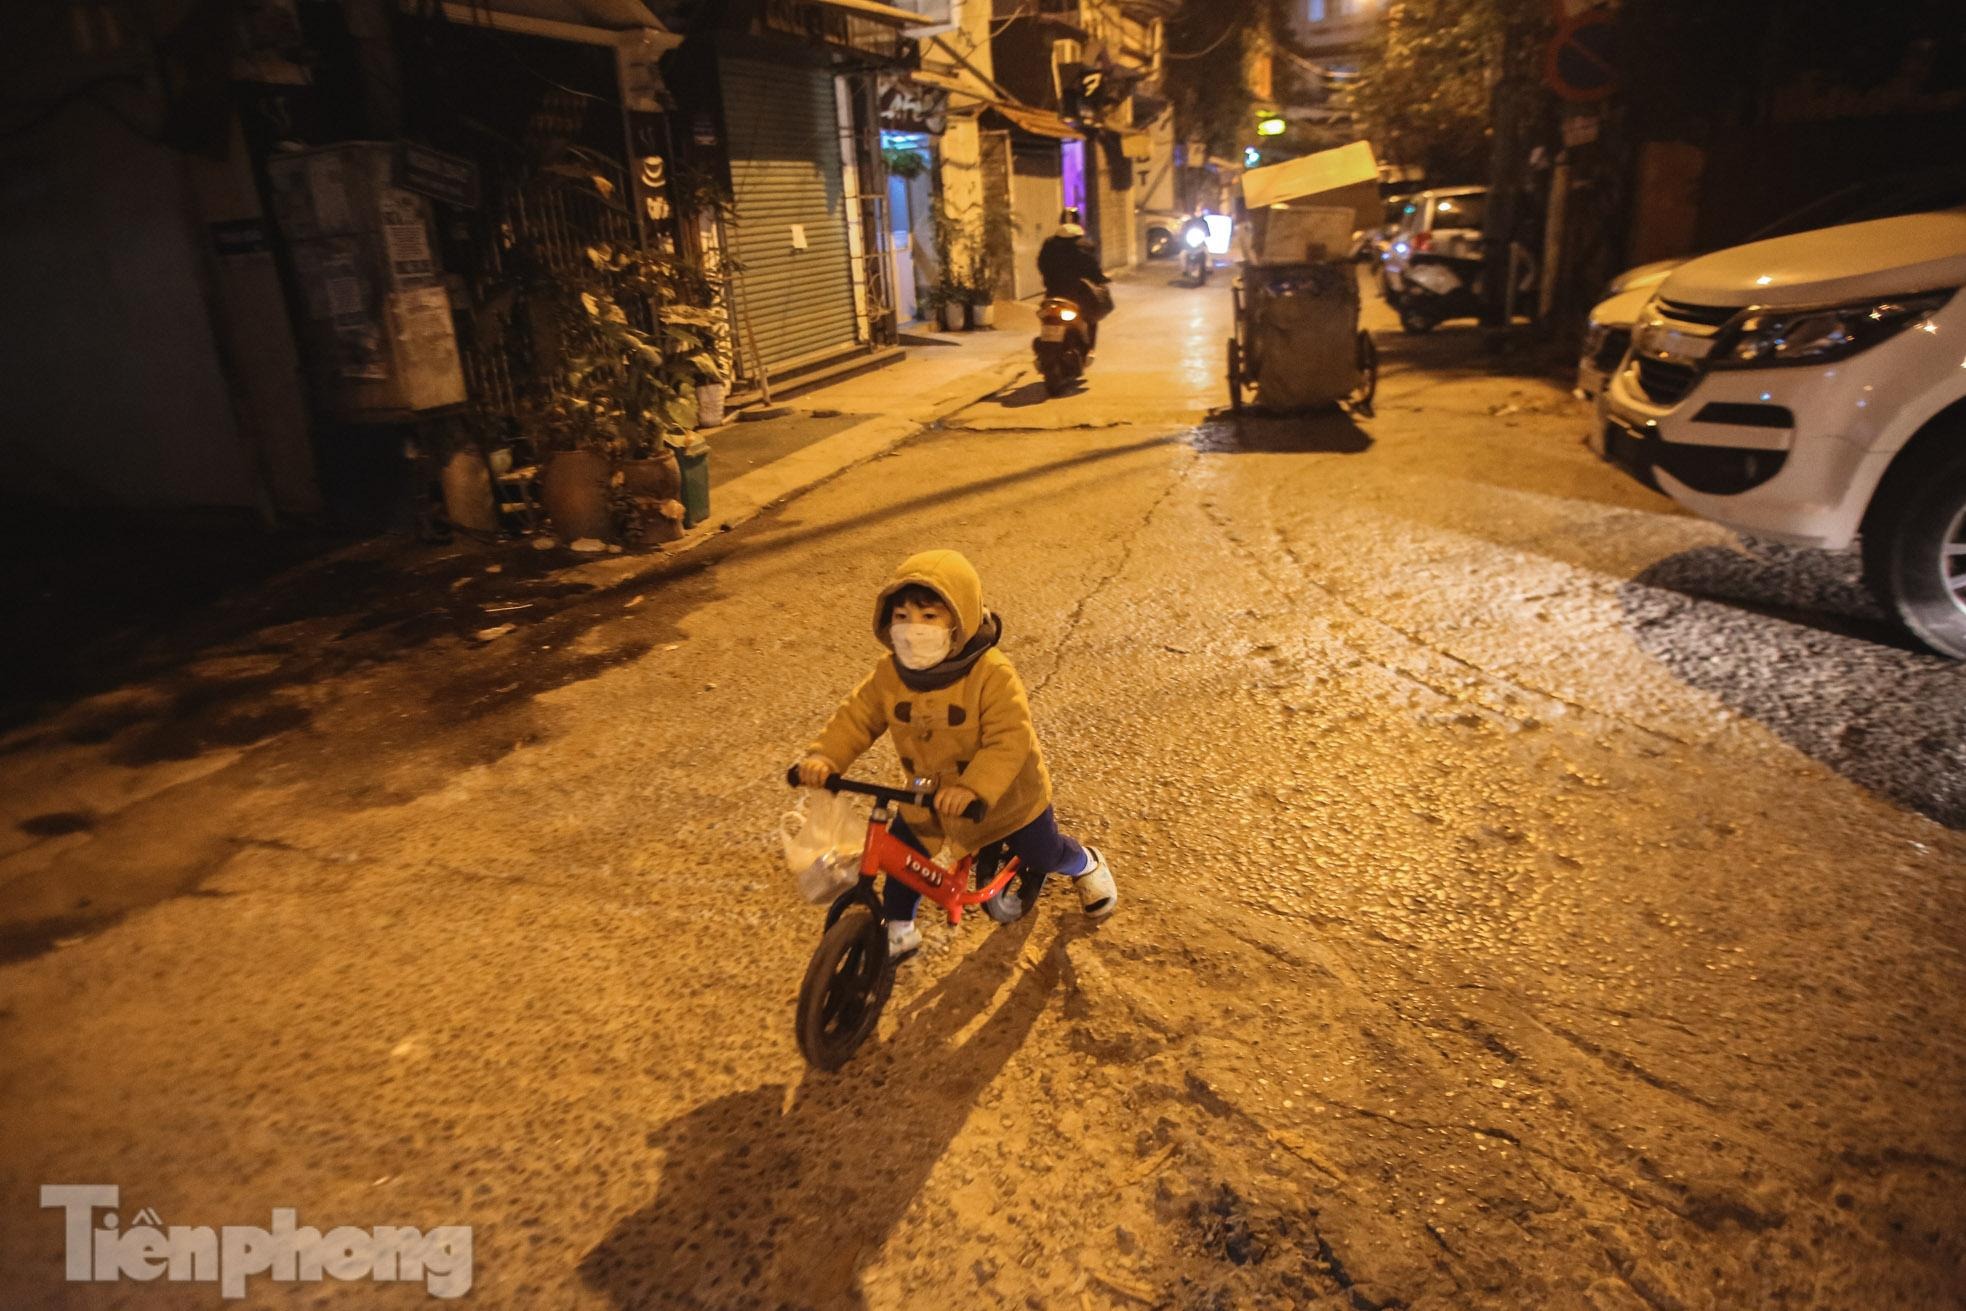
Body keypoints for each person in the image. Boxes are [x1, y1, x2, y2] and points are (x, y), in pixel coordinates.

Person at [798, 549, 1118, 958]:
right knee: (902, 856)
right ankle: (898, 929)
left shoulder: (992, 673)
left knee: (1043, 852)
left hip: (1006, 797)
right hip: (927, 791)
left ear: (959, 620)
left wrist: (973, 788)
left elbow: (1009, 739)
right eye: (902, 616)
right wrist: (826, 758)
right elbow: (857, 716)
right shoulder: (890, 673)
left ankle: (1086, 863)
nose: (913, 629)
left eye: (929, 617)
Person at [1037, 207, 1111, 349]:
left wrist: (1049, 279)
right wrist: (1100, 279)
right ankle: (1089, 350)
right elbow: (1093, 269)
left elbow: (1042, 265)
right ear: (1078, 222)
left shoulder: (1049, 243)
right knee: (1091, 318)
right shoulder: (1085, 244)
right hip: (1078, 295)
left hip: (1053, 293)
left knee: (1047, 317)